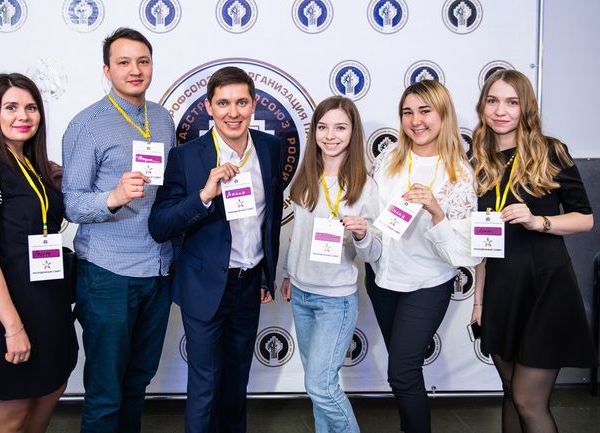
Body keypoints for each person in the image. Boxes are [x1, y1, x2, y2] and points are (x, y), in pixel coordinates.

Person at [148, 66, 283, 433]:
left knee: (237, 383)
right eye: (223, 103)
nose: (233, 112)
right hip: (204, 286)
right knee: (205, 386)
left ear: (254, 104)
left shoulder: (270, 148)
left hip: (249, 285)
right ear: (209, 107)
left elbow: (270, 219)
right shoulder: (186, 157)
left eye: (241, 102)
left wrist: (266, 275)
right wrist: (204, 195)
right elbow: (160, 226)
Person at [61, 27, 176, 433]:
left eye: (143, 61)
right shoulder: (87, 124)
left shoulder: (163, 118)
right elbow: (71, 203)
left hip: (158, 271)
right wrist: (112, 196)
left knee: (138, 382)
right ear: (107, 71)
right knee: (106, 391)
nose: (135, 70)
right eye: (124, 62)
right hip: (108, 275)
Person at [470, 69, 595, 433]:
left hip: (545, 287)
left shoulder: (549, 151)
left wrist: (538, 221)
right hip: (501, 290)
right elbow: (481, 242)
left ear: (526, 107)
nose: (500, 111)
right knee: (510, 392)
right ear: (482, 106)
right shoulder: (477, 159)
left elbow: (585, 219)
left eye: (512, 102)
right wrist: (478, 302)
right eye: (493, 101)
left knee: (528, 400)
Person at [0, 73, 78, 433]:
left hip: (51, 302)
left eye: (31, 107)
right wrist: (12, 327)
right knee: (12, 413)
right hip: (11, 309)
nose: (23, 116)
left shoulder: (36, 167)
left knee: (52, 388)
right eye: (11, 107)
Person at [363, 79, 480, 433]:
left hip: (426, 285)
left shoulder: (458, 174)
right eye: (407, 112)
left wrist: (436, 210)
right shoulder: (388, 158)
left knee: (402, 372)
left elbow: (461, 254)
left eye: (425, 111)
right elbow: (375, 218)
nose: (416, 121)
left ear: (443, 114)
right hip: (382, 280)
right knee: (405, 372)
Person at [279, 96, 378, 433]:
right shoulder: (306, 176)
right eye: (323, 127)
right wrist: (288, 273)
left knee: (320, 386)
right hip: (301, 293)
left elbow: (374, 252)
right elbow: (298, 233)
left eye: (340, 128)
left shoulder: (365, 186)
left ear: (353, 132)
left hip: (336, 300)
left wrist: (363, 234)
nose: (330, 135)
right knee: (318, 387)